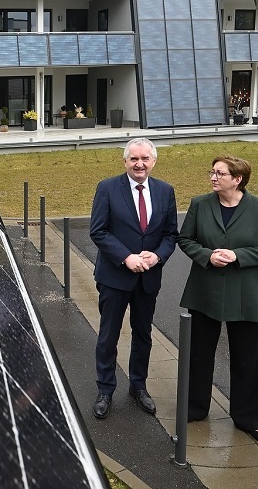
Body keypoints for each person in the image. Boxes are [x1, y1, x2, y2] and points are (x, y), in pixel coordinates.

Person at [177, 156, 258, 442]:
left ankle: (252, 417)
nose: (213, 177)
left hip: (246, 295)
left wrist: (238, 256)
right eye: (212, 172)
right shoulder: (200, 204)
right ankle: (194, 407)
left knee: (249, 358)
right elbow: (185, 240)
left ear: (238, 179)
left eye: (220, 174)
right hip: (204, 291)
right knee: (197, 354)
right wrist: (207, 255)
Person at [88, 137, 178, 419]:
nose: (139, 164)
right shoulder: (107, 188)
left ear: (153, 161)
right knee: (108, 335)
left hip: (148, 279)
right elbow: (98, 231)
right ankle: (105, 389)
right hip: (115, 276)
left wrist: (158, 256)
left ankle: (138, 386)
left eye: (145, 159)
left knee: (143, 334)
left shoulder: (165, 191)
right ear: (125, 161)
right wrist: (127, 257)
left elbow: (170, 234)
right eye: (134, 159)